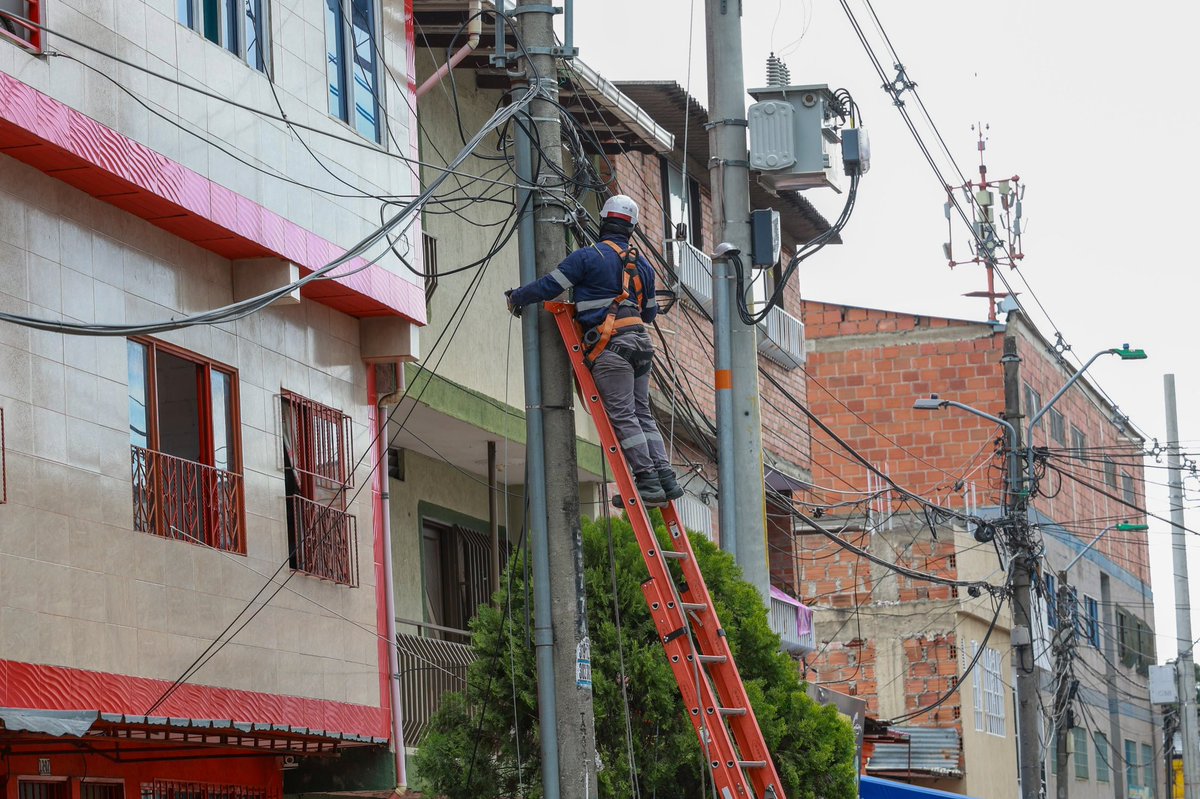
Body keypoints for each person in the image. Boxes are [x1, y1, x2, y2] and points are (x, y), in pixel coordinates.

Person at [505, 195, 682, 506]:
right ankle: (665, 477)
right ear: (632, 228)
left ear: (603, 221)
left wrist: (517, 296)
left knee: (624, 415)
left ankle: (647, 482)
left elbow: (550, 286)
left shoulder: (588, 257)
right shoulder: (643, 266)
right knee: (642, 413)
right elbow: (651, 314)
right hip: (641, 345)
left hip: (610, 347)